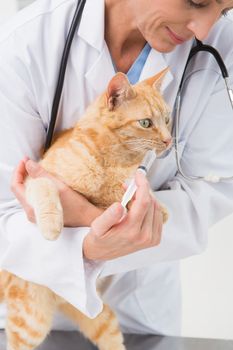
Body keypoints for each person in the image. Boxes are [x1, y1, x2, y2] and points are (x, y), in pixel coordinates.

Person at [0, 0, 233, 336]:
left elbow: (212, 190)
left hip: (139, 310)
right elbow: (5, 210)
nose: (205, 29)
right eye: (196, 0)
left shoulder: (219, 49)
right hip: (32, 303)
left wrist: (89, 218)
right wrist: (86, 246)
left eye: (225, 10)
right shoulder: (25, 46)